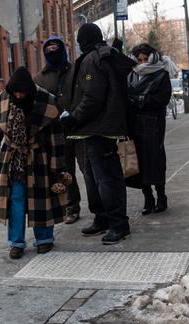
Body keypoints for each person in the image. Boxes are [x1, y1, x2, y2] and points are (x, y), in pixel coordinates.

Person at [60, 23, 136, 245]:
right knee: (97, 178)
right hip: (99, 129)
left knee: (106, 179)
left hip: (99, 129)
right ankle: (103, 218)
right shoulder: (103, 55)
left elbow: (93, 97)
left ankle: (118, 224)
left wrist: (74, 117)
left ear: (84, 40)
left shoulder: (94, 59)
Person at [0, 67, 69, 259]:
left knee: (41, 198)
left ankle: (44, 239)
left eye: (22, 92)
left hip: (39, 158)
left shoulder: (47, 101)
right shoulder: (4, 99)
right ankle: (16, 242)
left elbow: (56, 137)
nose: (18, 95)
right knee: (15, 199)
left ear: (30, 90)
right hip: (12, 158)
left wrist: (57, 165)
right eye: (15, 91)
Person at [34, 35, 83, 225]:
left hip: (79, 127)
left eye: (56, 48)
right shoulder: (40, 78)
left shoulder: (76, 71)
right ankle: (71, 207)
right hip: (56, 134)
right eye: (49, 49)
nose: (53, 52)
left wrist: (75, 114)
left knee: (88, 169)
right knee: (65, 172)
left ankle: (99, 208)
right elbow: (37, 106)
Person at [126, 43, 173, 214]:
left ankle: (161, 196)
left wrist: (138, 100)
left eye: (146, 59)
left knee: (156, 159)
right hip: (134, 124)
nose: (143, 62)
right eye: (140, 60)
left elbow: (162, 98)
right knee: (138, 162)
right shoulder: (131, 75)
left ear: (153, 58)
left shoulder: (161, 74)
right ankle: (148, 198)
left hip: (153, 124)